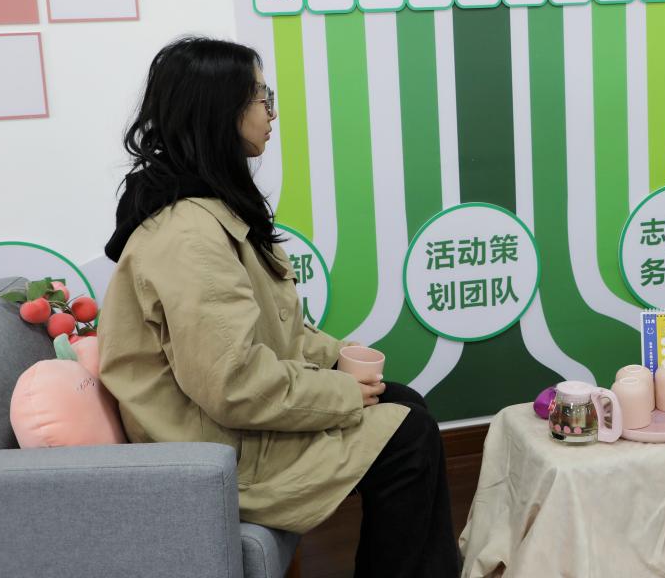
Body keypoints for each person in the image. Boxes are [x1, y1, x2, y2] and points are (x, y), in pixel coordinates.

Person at [99, 37, 459, 578]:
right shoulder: (189, 235)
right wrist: (341, 391)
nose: (272, 113)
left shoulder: (208, 206)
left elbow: (274, 329)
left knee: (405, 403)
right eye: (261, 97)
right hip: (209, 450)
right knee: (408, 439)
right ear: (219, 110)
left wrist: (337, 356)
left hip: (222, 424)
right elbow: (233, 385)